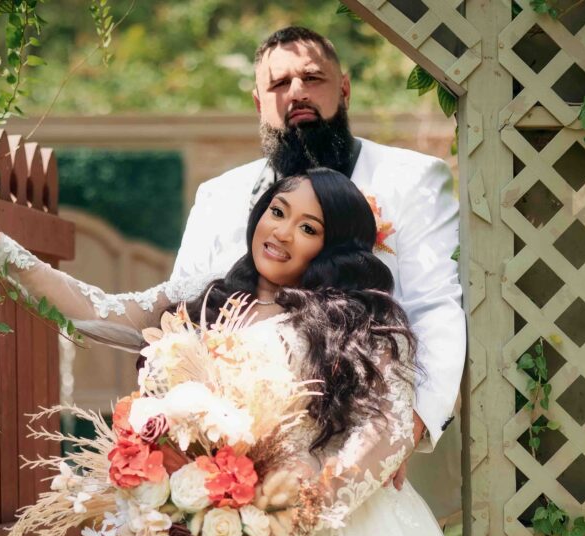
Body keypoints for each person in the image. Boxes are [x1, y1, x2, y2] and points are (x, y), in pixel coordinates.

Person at [0, 170, 517, 536]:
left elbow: (385, 433)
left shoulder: (357, 323)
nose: (282, 231)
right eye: (278, 211)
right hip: (200, 530)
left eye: (308, 227)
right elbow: (96, 309)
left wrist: (290, 519)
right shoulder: (207, 298)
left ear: (334, 246)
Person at [174, 27, 465, 492]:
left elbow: (435, 307)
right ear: (258, 103)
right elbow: (185, 321)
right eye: (278, 84)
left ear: (344, 89)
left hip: (377, 447)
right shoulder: (218, 197)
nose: (297, 93)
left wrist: (403, 433)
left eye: (312, 78)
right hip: (241, 460)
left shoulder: (412, 179)